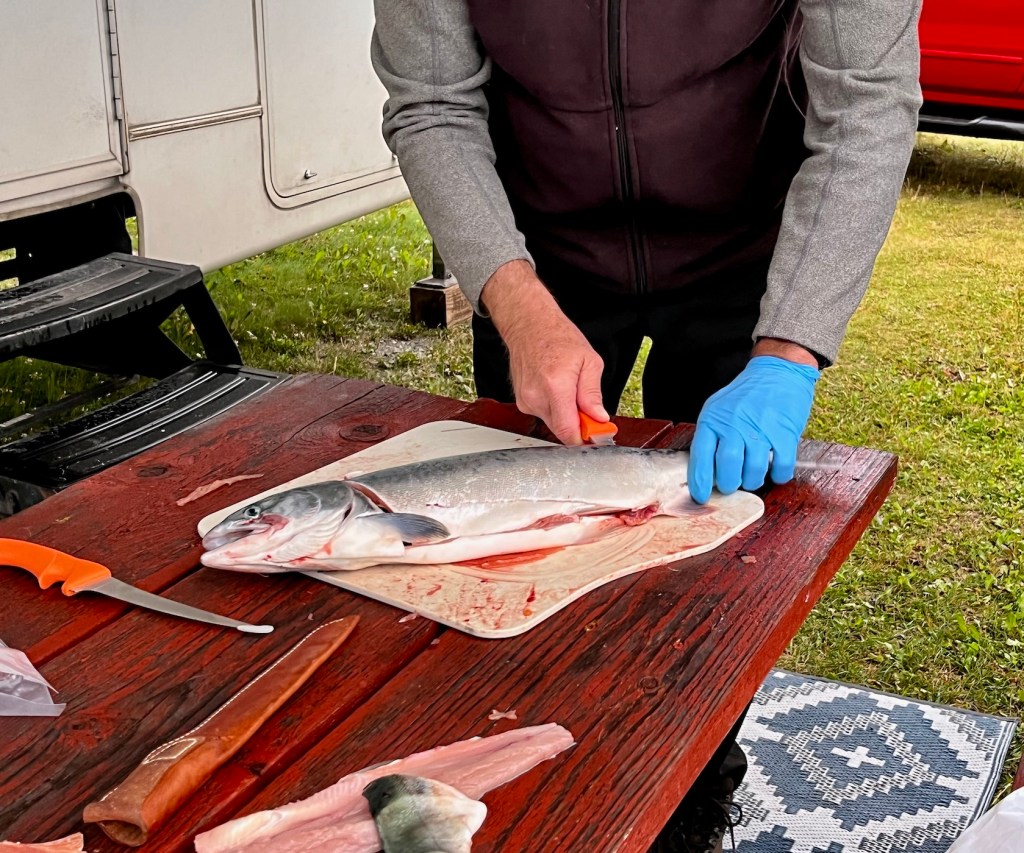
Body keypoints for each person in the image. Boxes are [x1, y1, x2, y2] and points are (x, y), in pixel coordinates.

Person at [372, 1, 922, 849]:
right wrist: (518, 305)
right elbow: (433, 104)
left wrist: (789, 349)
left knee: (712, 583)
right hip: (538, 261)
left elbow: (867, 103)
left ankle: (697, 800)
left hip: (743, 258)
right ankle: (538, 796)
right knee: (514, 564)